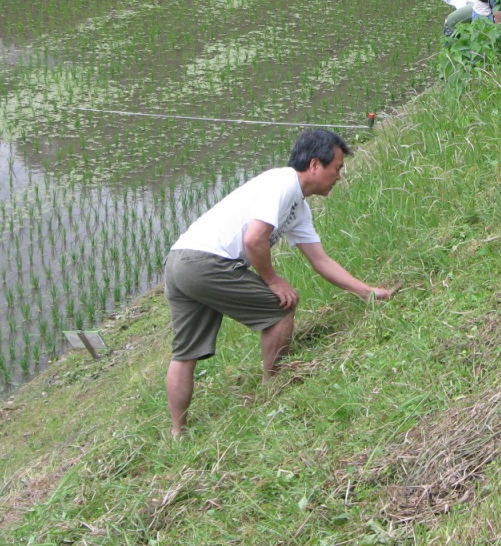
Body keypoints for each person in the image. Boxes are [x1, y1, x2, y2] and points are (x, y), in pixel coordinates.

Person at [163, 129, 393, 437]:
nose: (339, 176)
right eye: (336, 168)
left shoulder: (298, 207)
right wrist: (272, 280)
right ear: (315, 165)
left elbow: (320, 261)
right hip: (206, 262)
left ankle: (178, 434)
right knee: (281, 307)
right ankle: (273, 385)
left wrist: (367, 292)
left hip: (179, 261)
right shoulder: (283, 183)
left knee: (185, 354)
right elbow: (254, 239)